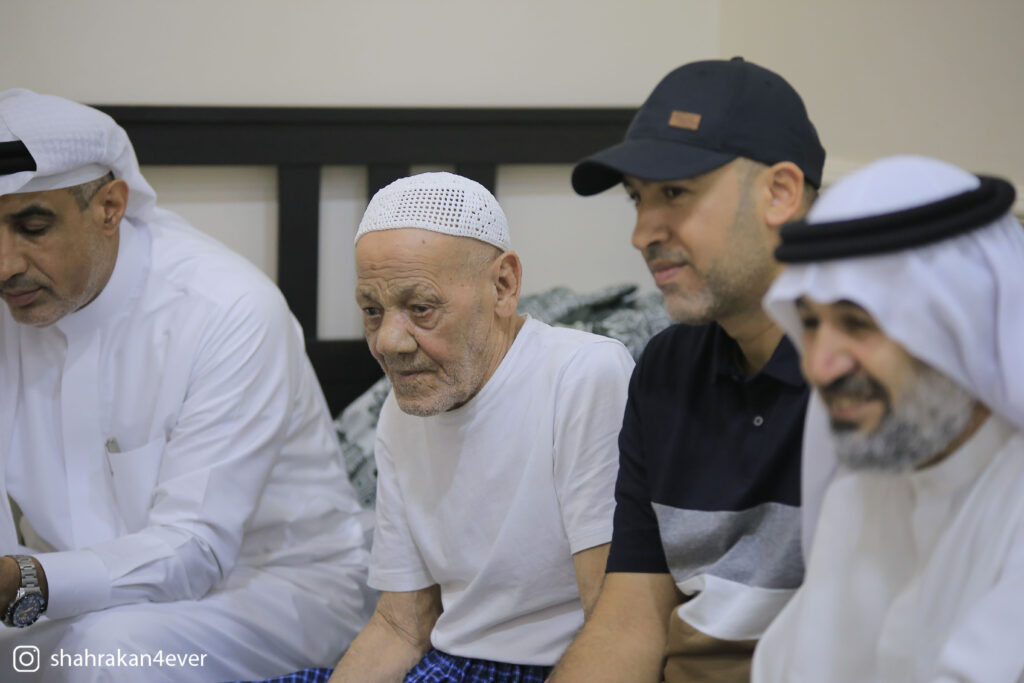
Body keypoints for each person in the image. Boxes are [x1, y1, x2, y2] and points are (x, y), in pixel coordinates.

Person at [0, 89, 372, 682]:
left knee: (108, 656)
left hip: (270, 591)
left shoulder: (228, 311)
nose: (5, 265)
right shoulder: (12, 306)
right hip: (67, 598)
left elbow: (195, 549)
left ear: (110, 207)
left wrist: (28, 581)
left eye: (33, 227)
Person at [258, 171, 631, 683]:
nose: (389, 343)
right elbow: (401, 625)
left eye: (421, 308)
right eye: (372, 310)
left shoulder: (583, 375)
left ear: (503, 285)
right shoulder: (401, 412)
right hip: (446, 663)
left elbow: (613, 622)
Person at [548, 57, 826, 682]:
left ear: (780, 193)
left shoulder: (866, 374)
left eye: (674, 193)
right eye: (636, 198)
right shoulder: (667, 368)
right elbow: (631, 619)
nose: (642, 233)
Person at [752, 154, 1024, 682]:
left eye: (858, 323)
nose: (819, 366)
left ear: (958, 327)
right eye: (810, 324)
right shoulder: (858, 497)